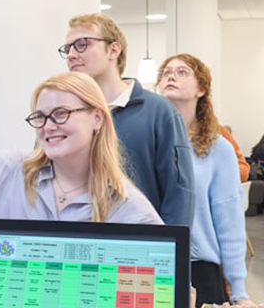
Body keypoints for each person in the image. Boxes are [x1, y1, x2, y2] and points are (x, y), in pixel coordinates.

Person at [0, 72, 162, 252]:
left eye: (61, 114)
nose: (48, 126)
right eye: (40, 117)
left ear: (97, 118)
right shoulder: (6, 170)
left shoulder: (126, 206)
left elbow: (164, 276)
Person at [62, 13, 194, 227]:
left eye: (82, 44)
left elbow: (179, 194)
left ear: (113, 50)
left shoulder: (158, 111)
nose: (71, 55)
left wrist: (170, 252)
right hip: (79, 245)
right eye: (67, 49)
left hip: (139, 246)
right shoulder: (64, 112)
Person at [155, 53, 251, 307]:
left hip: (198, 268)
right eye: (166, 72)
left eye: (182, 72)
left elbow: (229, 222)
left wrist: (239, 291)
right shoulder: (148, 141)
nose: (171, 76)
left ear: (202, 89)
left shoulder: (218, 148)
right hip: (148, 262)